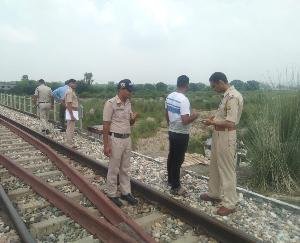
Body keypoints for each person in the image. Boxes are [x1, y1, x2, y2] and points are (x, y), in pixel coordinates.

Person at [200, 72, 243, 216]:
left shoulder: (233, 97)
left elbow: (230, 122)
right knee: (214, 165)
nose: (213, 89)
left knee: (226, 169)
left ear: (220, 82)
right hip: (218, 134)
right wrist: (214, 119)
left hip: (227, 135)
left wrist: (212, 122)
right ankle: (214, 193)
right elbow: (223, 116)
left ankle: (230, 203)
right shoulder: (226, 95)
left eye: (214, 86)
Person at [102, 79, 138, 207]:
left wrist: (133, 120)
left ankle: (125, 192)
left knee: (125, 168)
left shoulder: (128, 103)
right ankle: (111, 193)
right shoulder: (110, 103)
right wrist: (106, 145)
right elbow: (106, 125)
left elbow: (130, 122)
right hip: (115, 139)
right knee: (114, 167)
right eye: (129, 90)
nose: (130, 93)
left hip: (127, 138)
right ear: (122, 89)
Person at [165, 75, 198, 195]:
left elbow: (166, 113)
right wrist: (195, 115)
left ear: (177, 83)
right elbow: (185, 120)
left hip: (172, 131)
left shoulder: (170, 96)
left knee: (172, 156)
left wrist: (170, 126)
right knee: (178, 159)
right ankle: (176, 186)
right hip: (181, 134)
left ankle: (170, 180)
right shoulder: (184, 100)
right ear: (187, 85)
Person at [64, 79, 79, 148]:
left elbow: (63, 100)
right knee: (70, 128)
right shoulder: (70, 92)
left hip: (72, 110)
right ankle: (69, 143)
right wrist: (71, 114)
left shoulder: (70, 91)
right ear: (70, 84)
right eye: (74, 83)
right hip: (71, 110)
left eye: (75, 83)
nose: (75, 85)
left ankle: (70, 142)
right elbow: (69, 103)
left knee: (71, 127)